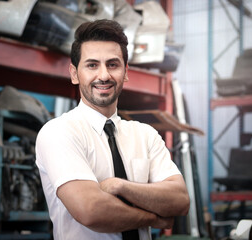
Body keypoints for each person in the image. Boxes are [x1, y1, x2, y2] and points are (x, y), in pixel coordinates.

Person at [35, 19, 190, 240]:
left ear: (125, 72)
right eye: (92, 65)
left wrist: (120, 186)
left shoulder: (145, 136)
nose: (104, 75)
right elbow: (91, 210)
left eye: (113, 64)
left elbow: (180, 201)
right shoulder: (59, 132)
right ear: (74, 73)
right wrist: (153, 218)